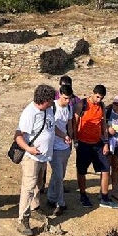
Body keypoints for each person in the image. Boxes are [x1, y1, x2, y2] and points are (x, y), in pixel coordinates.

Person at [14, 84, 56, 236]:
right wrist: (29, 149)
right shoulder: (29, 113)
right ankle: (22, 220)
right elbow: (18, 135)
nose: (53, 102)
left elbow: (51, 127)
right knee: (28, 187)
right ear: (44, 100)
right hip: (32, 156)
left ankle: (35, 208)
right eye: (51, 100)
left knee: (39, 183)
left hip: (43, 156)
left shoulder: (49, 109)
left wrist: (63, 135)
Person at [73, 84, 118, 209]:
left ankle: (104, 197)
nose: (99, 100)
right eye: (98, 97)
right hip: (83, 143)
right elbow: (74, 122)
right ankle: (83, 195)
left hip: (97, 143)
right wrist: (75, 140)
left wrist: (105, 143)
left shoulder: (102, 106)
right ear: (92, 93)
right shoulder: (81, 105)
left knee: (105, 169)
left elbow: (103, 125)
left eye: (101, 98)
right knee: (82, 170)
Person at [46, 84, 73, 216]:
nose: (67, 101)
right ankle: (60, 203)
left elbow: (69, 126)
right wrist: (64, 136)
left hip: (65, 147)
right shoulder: (52, 108)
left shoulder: (69, 108)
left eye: (69, 98)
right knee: (58, 176)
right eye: (65, 98)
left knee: (59, 175)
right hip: (54, 147)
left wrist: (70, 140)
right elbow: (52, 128)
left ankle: (51, 197)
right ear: (60, 95)